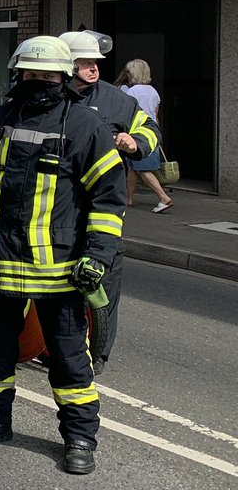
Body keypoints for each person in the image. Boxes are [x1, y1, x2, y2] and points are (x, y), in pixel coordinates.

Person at [0, 36, 125, 475]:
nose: (38, 81)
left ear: (63, 77)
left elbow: (108, 199)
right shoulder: (0, 119)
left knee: (70, 358)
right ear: (18, 74)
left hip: (60, 267)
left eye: (47, 75)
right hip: (0, 259)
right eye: (30, 74)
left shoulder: (85, 126)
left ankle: (80, 438)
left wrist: (99, 255)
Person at [59, 30, 161, 371]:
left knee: (104, 279)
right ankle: (56, 343)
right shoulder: (52, 97)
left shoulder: (116, 99)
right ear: (67, 65)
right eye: (85, 63)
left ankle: (98, 352)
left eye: (95, 63)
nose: (93, 69)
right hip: (59, 206)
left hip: (102, 205)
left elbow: (150, 128)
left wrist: (135, 142)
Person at [118, 58, 173, 214]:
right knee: (133, 167)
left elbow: (126, 114)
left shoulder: (131, 92)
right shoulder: (153, 91)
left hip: (137, 134)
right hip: (151, 132)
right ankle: (128, 199)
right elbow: (155, 115)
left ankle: (163, 198)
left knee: (142, 169)